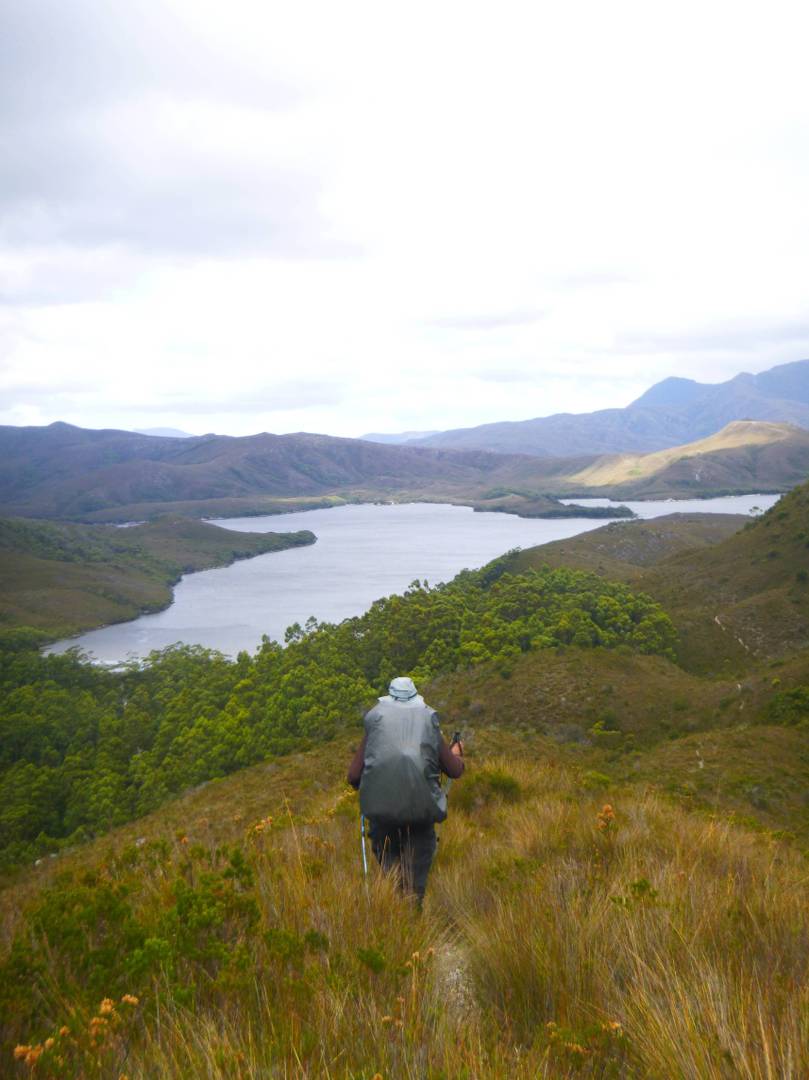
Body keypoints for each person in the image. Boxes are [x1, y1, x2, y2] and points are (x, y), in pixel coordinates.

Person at [347, 676, 464, 903]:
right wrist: (457, 754)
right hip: (420, 817)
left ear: (389, 701)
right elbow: (454, 770)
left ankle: (393, 919)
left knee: (392, 879)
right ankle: (412, 920)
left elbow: (353, 776)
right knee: (414, 885)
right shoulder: (429, 724)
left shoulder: (376, 724)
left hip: (383, 819)